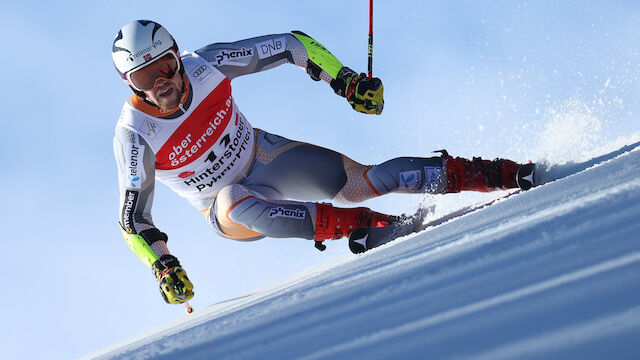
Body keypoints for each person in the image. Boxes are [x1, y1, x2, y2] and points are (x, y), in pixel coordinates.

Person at [112, 20, 534, 305]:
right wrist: (163, 265)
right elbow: (134, 219)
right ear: (130, 85)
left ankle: (496, 173)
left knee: (369, 180)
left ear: (176, 56)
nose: (162, 83)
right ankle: (363, 226)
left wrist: (345, 81)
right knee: (233, 197)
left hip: (264, 155)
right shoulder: (135, 134)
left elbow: (293, 45)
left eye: (166, 66)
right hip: (229, 210)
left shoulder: (208, 65)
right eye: (146, 79)